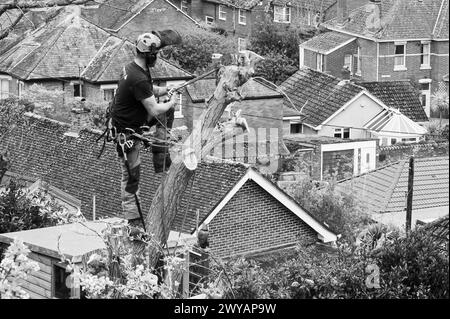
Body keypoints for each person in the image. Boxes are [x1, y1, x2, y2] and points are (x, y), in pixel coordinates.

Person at [110, 31, 181, 225]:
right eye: (156, 54)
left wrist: (166, 90)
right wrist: (172, 101)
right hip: (128, 135)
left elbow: (149, 90)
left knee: (166, 106)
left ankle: (161, 156)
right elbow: (155, 108)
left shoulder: (134, 68)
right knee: (131, 178)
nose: (157, 58)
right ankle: (134, 224)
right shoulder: (137, 77)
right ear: (150, 55)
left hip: (134, 123)